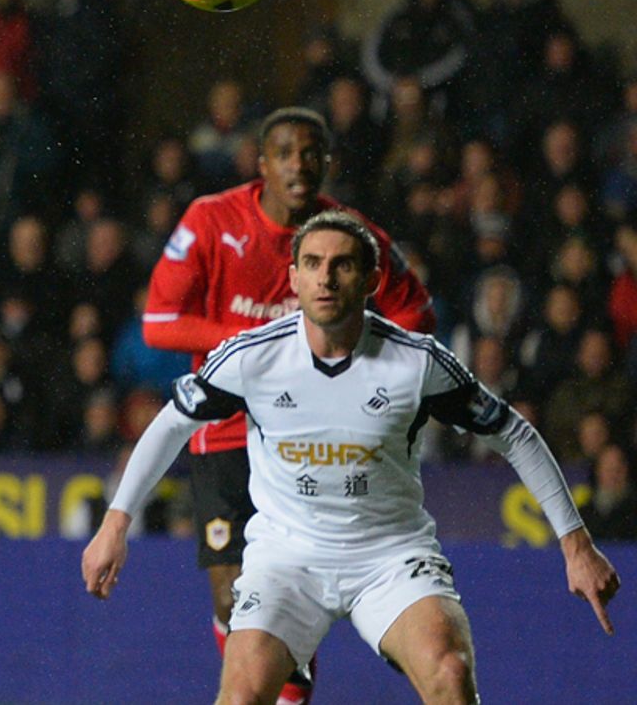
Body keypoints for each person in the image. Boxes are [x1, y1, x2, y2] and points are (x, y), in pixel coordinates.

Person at [84, 211, 621, 704]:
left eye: (342, 265)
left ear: (371, 281)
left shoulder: (417, 363)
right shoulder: (253, 358)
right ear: (293, 278)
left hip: (390, 556)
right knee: (242, 695)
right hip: (287, 558)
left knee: (450, 672)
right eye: (313, 264)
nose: (326, 278)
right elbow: (172, 423)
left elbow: (514, 434)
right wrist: (115, 524)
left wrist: (575, 545)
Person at [142, 107, 434, 705]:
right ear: (262, 164)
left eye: (310, 154)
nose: (297, 165)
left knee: (291, 602)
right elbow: (159, 323)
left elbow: (415, 314)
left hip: (313, 436)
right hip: (226, 430)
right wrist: (253, 344)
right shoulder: (211, 220)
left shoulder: (350, 235)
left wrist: (366, 371)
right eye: (284, 154)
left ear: (326, 163)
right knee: (233, 598)